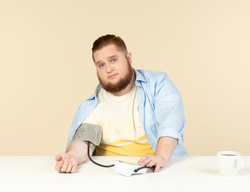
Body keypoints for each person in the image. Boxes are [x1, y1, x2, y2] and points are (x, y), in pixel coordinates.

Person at [55, 34, 187, 174]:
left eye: (113, 60)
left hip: (160, 172)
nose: (108, 69)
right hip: (110, 177)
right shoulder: (92, 106)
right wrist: (72, 157)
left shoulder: (158, 85)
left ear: (129, 58)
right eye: (101, 65)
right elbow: (83, 142)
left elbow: (170, 124)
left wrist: (160, 157)